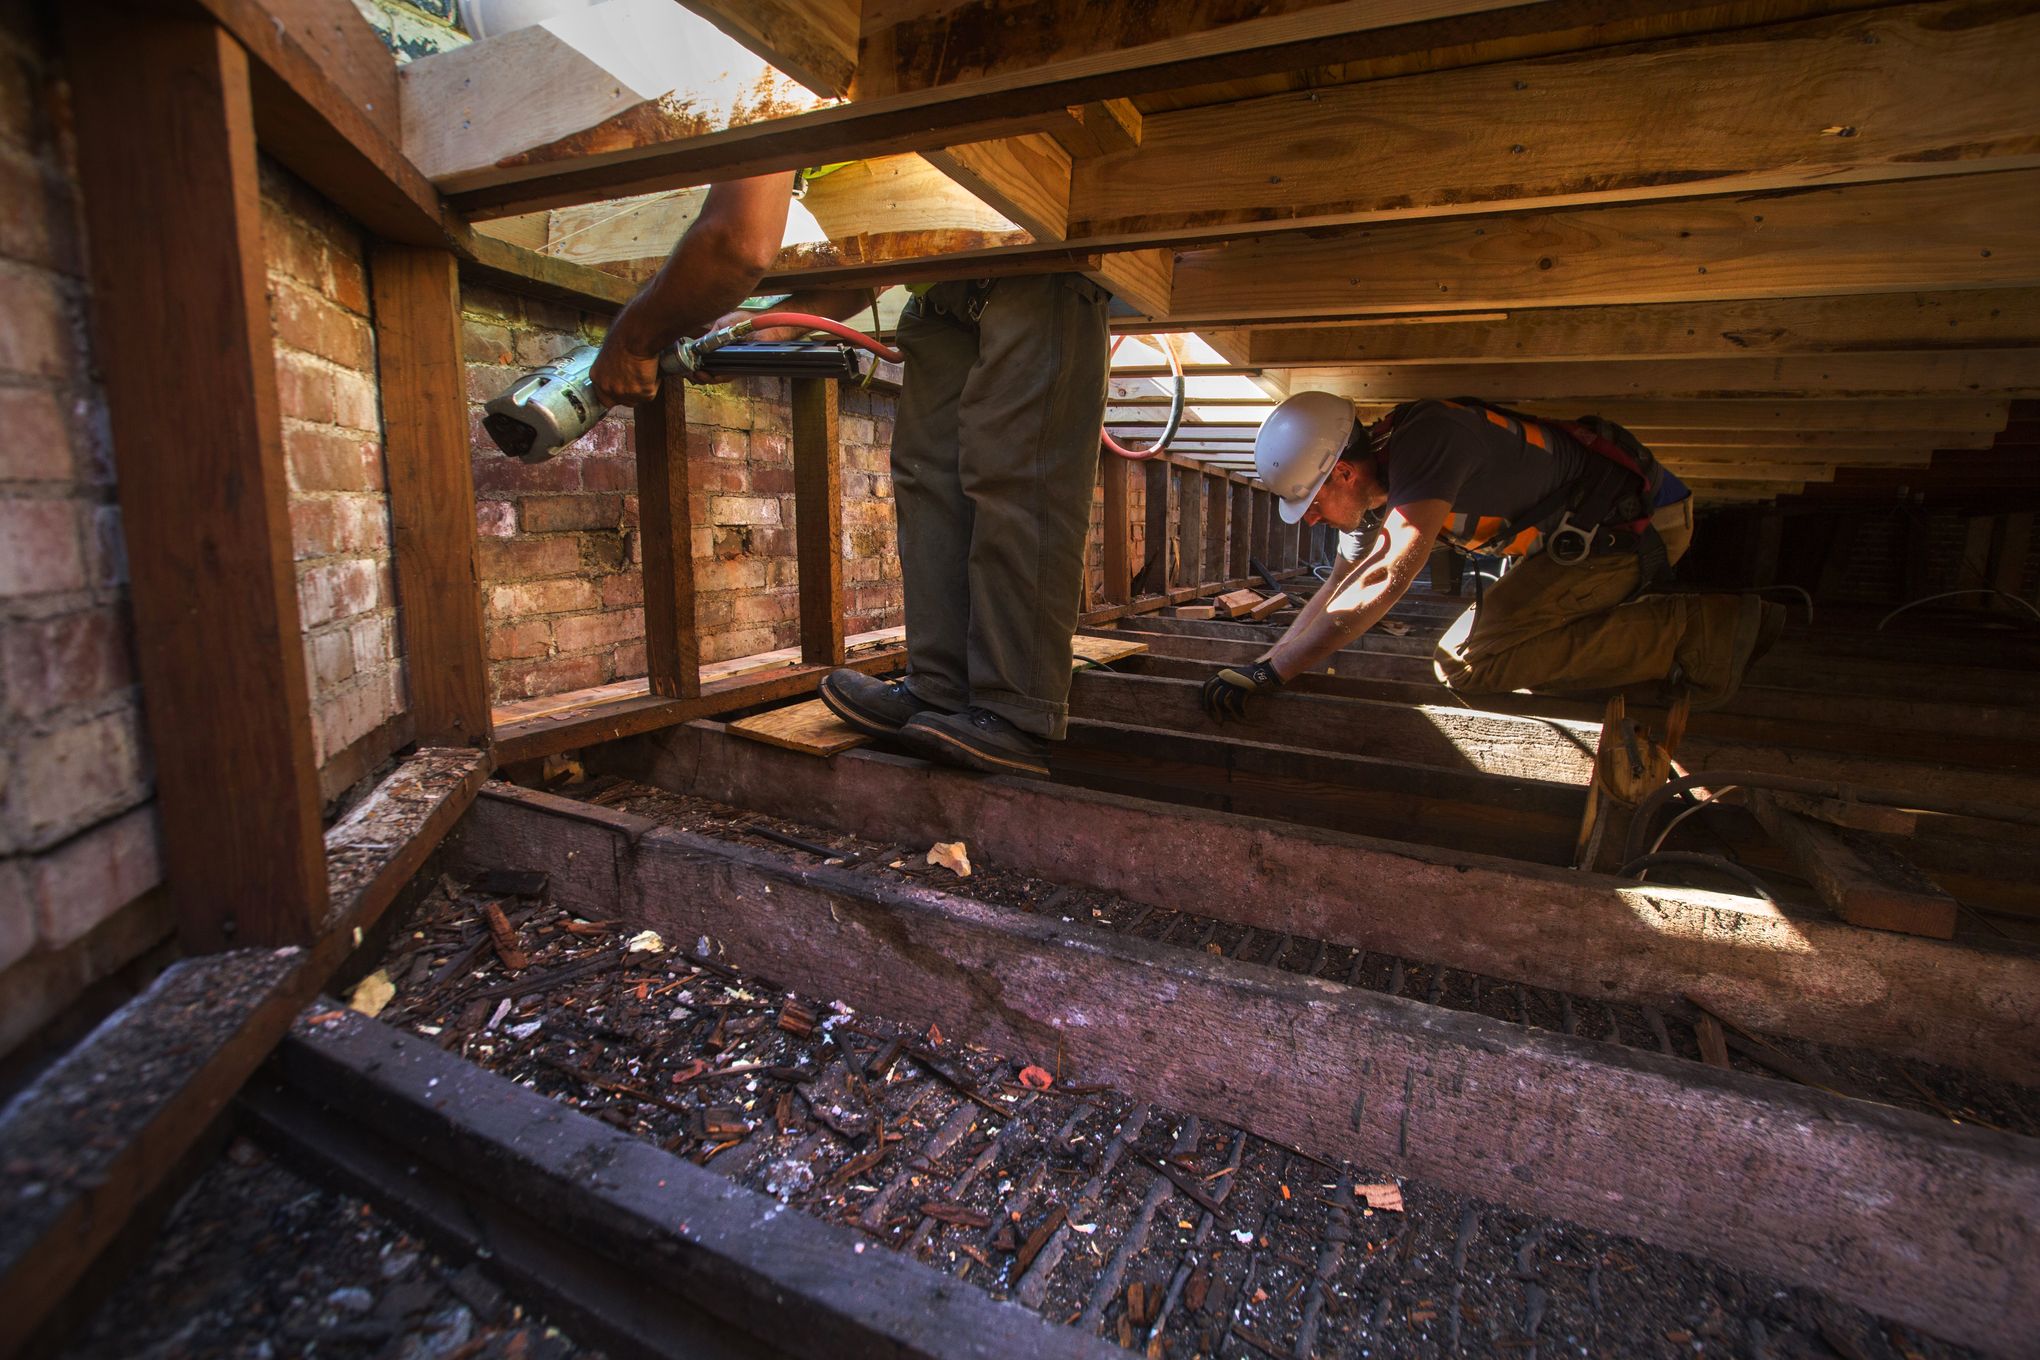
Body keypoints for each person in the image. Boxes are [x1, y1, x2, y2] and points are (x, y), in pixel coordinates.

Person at [593, 173, 1111, 778]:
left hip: (1035, 258)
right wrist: (775, 321)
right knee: (931, 486)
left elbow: (738, 242)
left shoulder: (774, 90)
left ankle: (1017, 711)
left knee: (1018, 481)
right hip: (941, 289)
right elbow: (881, 234)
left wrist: (634, 338)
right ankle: (940, 688)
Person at [1200, 393, 1783, 723]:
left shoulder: (1427, 440)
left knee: (1467, 664)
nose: (1313, 519)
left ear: (1345, 472)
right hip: (1576, 545)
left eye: (1313, 503)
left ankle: (1703, 630)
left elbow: (1385, 574)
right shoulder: (1377, 490)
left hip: (1633, 531)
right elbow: (1342, 583)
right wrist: (1265, 663)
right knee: (1499, 645)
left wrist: (1276, 672)